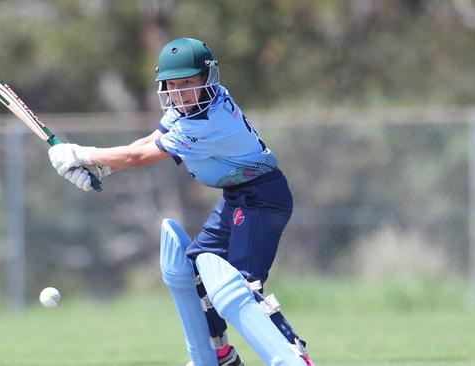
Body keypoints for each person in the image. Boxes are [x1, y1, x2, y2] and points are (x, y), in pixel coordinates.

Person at [48, 37, 314, 366]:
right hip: (238, 197)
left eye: (188, 84)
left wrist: (81, 153)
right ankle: (220, 354)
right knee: (196, 268)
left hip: (261, 197)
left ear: (206, 80)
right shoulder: (193, 107)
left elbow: (138, 155)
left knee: (240, 288)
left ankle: (294, 356)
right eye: (172, 85)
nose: (179, 93)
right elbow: (148, 142)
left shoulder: (207, 121)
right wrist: (102, 166)